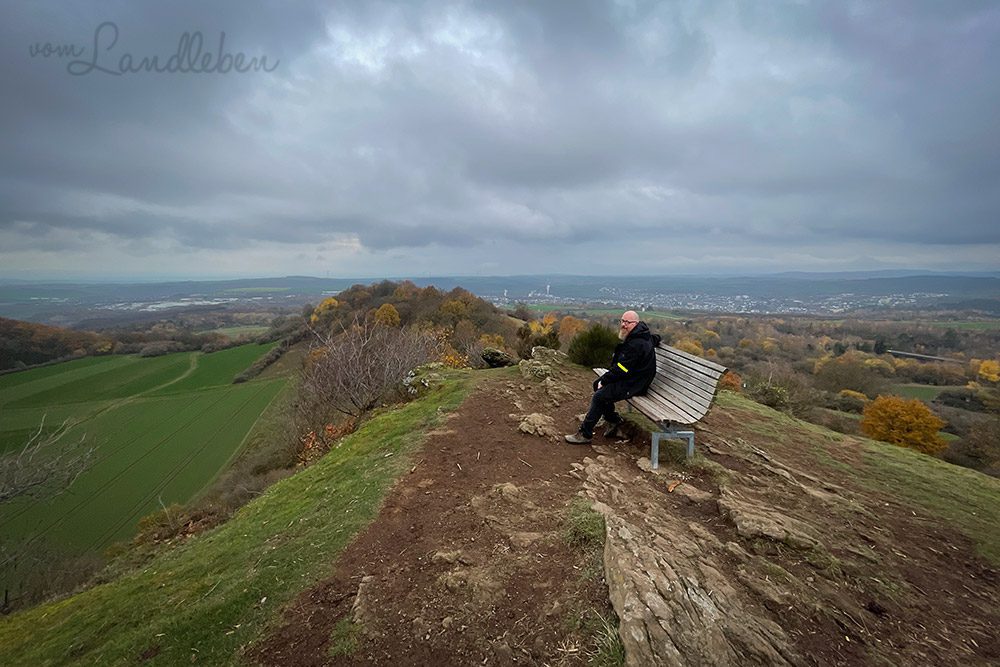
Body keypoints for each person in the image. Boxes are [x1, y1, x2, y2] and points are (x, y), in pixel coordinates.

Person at [565, 310, 661, 444]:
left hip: (636, 383)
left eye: (628, 322)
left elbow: (622, 368)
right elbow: (654, 338)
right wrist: (657, 339)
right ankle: (614, 421)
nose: (623, 325)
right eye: (622, 321)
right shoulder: (641, 335)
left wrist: (605, 380)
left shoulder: (636, 343)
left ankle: (585, 434)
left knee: (600, 395)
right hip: (633, 377)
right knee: (597, 386)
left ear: (636, 323)